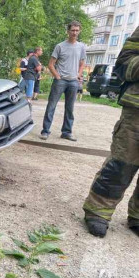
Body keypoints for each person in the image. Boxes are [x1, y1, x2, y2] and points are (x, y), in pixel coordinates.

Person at [83, 26, 139, 238]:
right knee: (121, 164)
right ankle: (98, 211)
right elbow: (124, 63)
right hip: (137, 111)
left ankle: (137, 216)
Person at [39, 21, 86, 141]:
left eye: (77, 30)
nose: (74, 33)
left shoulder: (81, 47)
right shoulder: (60, 46)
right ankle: (45, 131)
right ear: (68, 31)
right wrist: (57, 76)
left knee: (70, 108)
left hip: (73, 82)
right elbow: (51, 64)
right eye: (72, 30)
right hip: (60, 81)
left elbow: (82, 64)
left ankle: (66, 132)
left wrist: (78, 75)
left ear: (79, 31)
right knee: (51, 106)